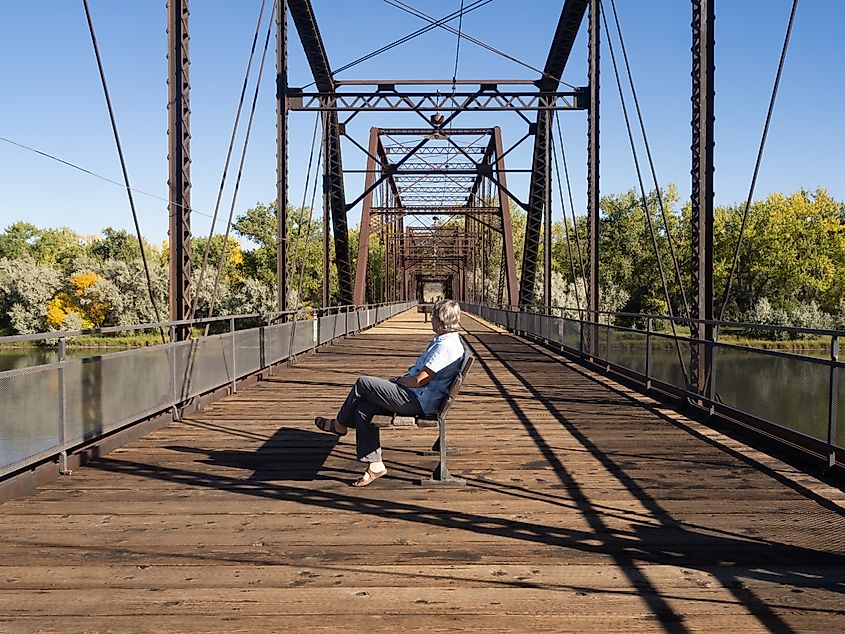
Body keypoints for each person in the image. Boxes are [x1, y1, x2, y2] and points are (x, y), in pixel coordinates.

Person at [315, 299, 465, 487]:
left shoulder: (445, 347)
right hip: (419, 396)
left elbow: (420, 380)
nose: (431, 320)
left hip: (417, 400)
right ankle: (375, 464)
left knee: (363, 383)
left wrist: (398, 381)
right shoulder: (449, 341)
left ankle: (339, 425)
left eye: (434, 316)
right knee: (364, 407)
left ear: (441, 321)